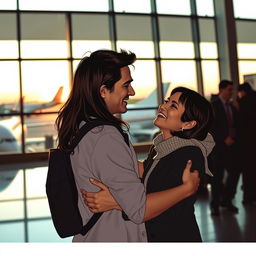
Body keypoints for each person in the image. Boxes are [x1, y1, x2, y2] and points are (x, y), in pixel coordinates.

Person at [56, 49, 200, 242]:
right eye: (126, 85)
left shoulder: (83, 127)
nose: (131, 92)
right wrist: (186, 189)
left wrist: (117, 201)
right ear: (103, 91)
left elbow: (122, 172)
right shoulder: (105, 137)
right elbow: (140, 210)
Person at [82, 87, 215, 242]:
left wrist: (115, 201)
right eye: (167, 101)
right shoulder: (161, 146)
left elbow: (161, 207)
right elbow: (149, 171)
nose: (163, 106)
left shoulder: (190, 154)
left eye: (173, 106)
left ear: (189, 124)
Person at [210, 80, 240, 216]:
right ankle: (215, 205)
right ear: (221, 90)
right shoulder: (213, 106)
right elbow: (210, 127)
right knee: (217, 177)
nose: (231, 92)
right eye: (229, 89)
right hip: (219, 147)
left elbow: (235, 124)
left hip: (232, 146)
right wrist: (223, 138)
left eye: (232, 90)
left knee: (234, 172)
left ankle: (227, 200)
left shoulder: (232, 106)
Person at [237, 82, 256, 204]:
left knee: (248, 171)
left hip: (247, 143)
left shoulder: (242, 102)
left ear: (242, 92)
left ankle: (249, 197)